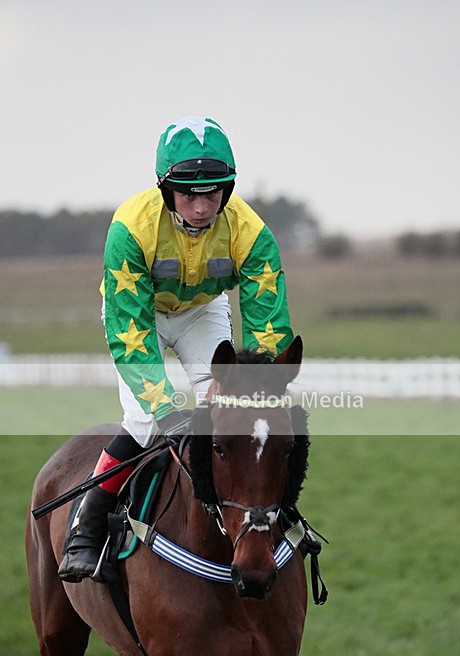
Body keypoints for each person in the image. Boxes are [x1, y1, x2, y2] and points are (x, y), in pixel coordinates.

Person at [58, 115, 294, 582]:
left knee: (232, 412)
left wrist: (262, 389)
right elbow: (131, 334)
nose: (202, 207)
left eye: (213, 194)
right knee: (145, 420)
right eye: (188, 195)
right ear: (166, 190)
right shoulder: (130, 227)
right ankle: (88, 521)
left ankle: (254, 519)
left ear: (228, 189)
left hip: (202, 311)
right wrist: (166, 406)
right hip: (138, 315)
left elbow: (267, 323)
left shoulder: (251, 232)